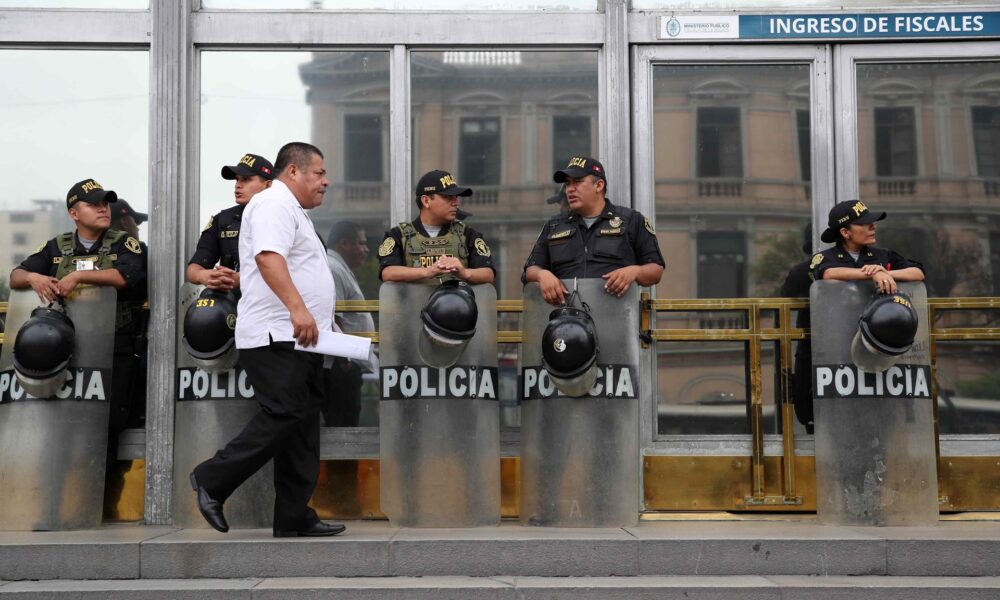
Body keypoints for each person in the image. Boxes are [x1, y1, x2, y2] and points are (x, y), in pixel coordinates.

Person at [189, 142, 345, 537]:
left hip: (303, 338)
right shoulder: (274, 204)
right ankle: (212, 479)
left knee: (302, 427)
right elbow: (268, 259)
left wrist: (321, 323)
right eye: (319, 173)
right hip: (276, 333)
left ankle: (293, 516)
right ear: (293, 172)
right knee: (286, 413)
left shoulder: (293, 210)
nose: (325, 182)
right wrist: (297, 308)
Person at [9, 178, 146, 434]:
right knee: (62, 424)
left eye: (105, 203)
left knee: (108, 427)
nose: (103, 208)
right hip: (66, 349)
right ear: (74, 214)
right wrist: (33, 277)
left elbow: (124, 276)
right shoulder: (57, 246)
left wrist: (79, 276)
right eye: (94, 204)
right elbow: (15, 277)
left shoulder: (124, 243)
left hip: (113, 346)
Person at [523, 156, 665, 305]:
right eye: (567, 184)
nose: (570, 189)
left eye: (577, 182)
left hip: (617, 321)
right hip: (565, 321)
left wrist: (634, 272)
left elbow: (656, 269)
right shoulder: (554, 225)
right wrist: (542, 274)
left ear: (599, 185)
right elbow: (530, 270)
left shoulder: (631, 220)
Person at [378, 169, 495, 285]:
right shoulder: (398, 235)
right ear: (426, 201)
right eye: (448, 197)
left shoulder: (467, 235)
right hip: (413, 304)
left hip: (458, 303)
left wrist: (464, 273)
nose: (456, 203)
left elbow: (488, 274)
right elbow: (388, 272)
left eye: (456, 197)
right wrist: (428, 271)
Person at [186, 153, 274, 293]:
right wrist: (206, 276)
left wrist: (243, 279)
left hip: (272, 305)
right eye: (237, 180)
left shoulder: (283, 218)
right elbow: (193, 269)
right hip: (232, 306)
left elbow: (293, 271)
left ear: (267, 185)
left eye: (246, 179)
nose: (238, 185)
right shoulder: (223, 219)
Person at [811, 200, 925, 293]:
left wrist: (884, 273)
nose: (873, 226)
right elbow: (829, 274)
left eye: (872, 222)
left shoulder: (884, 255)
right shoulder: (825, 257)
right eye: (863, 223)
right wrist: (873, 274)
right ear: (845, 232)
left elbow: (917, 273)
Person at [323, 220, 374, 427]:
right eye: (361, 243)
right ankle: (341, 462)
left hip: (345, 363)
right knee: (343, 427)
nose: (366, 249)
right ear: (344, 244)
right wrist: (344, 359)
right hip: (340, 366)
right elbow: (335, 318)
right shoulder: (333, 268)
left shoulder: (338, 267)